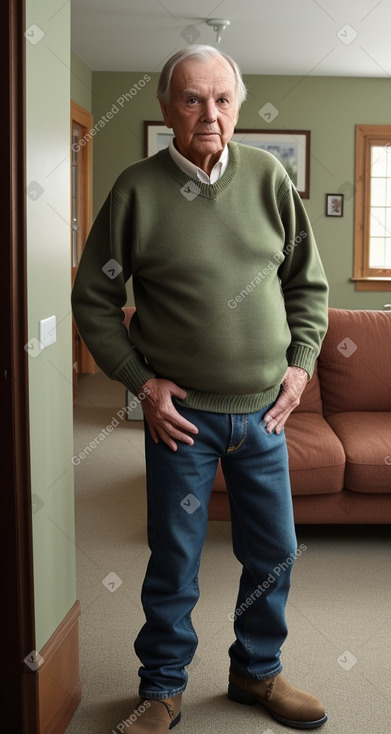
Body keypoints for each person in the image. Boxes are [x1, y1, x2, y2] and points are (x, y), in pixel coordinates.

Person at [72, 45, 329, 732]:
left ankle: (256, 673)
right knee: (175, 558)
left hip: (264, 419)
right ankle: (161, 689)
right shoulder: (135, 189)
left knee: (272, 555)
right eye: (191, 99)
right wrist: (140, 384)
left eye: (221, 99)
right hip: (179, 419)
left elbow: (307, 285)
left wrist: (300, 364)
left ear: (237, 105)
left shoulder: (269, 178)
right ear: (165, 107)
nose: (208, 114)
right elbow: (94, 300)